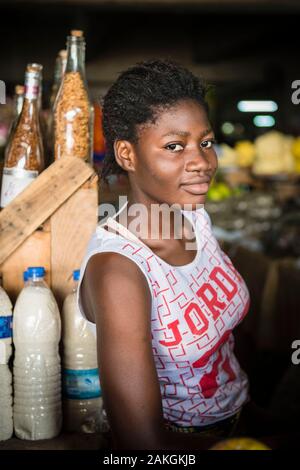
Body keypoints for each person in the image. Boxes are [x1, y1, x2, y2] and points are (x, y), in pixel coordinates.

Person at [77, 59, 251, 450]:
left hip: (242, 414)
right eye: (174, 147)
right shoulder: (119, 268)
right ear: (127, 154)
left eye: (205, 143)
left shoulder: (196, 218)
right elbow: (142, 444)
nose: (202, 163)